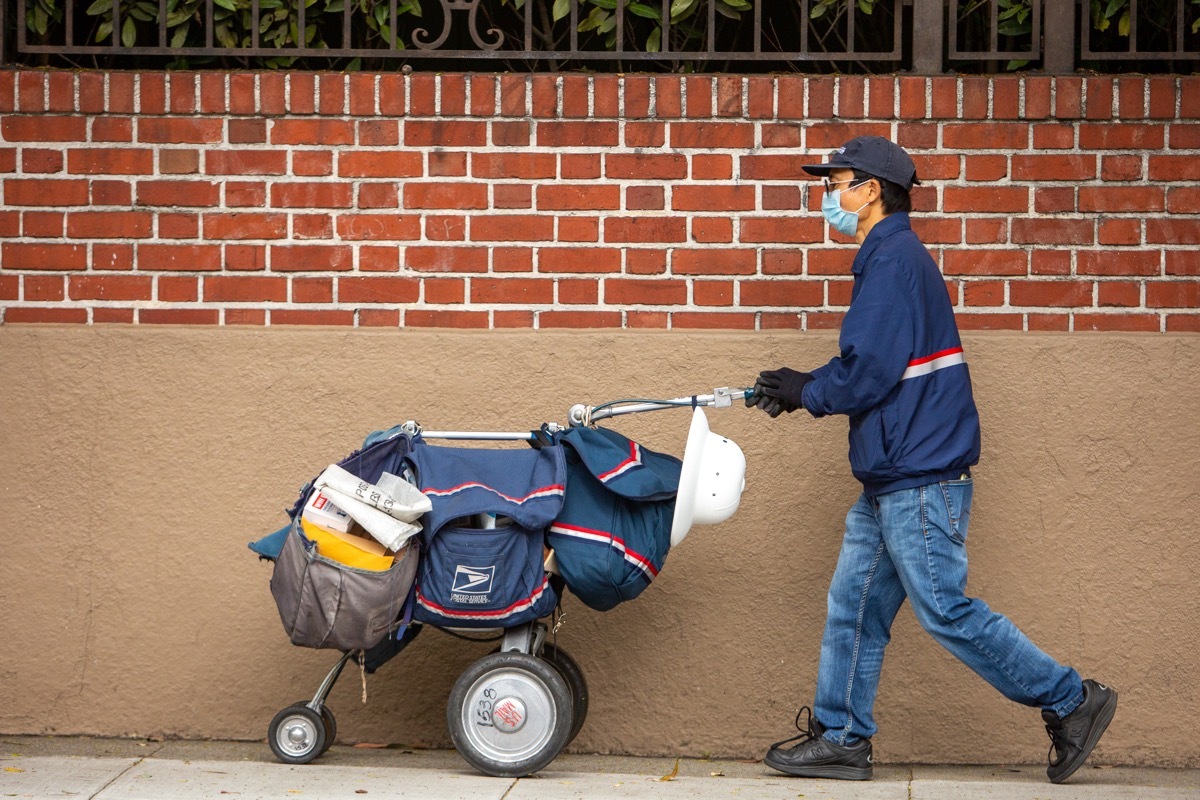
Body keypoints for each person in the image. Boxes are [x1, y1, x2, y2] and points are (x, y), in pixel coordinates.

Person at [745, 135, 1117, 785]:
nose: (828, 195)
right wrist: (804, 383)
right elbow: (876, 363)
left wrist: (809, 391)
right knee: (853, 606)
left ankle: (1071, 700)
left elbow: (872, 373)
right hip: (896, 474)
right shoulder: (890, 259)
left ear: (869, 190)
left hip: (918, 477)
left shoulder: (892, 261)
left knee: (945, 609)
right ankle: (841, 738)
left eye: (835, 183)